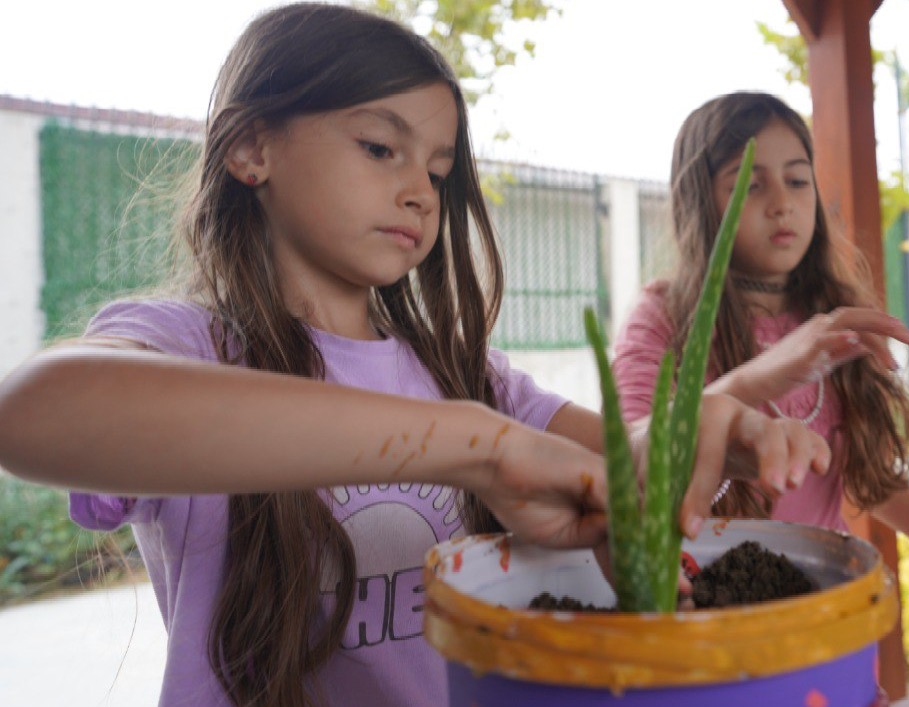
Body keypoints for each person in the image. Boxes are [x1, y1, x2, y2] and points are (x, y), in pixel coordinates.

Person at [0, 12, 830, 707]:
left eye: (437, 169)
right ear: (252, 148)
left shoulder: (470, 374)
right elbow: (33, 409)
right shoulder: (189, 346)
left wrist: (718, 414)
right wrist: (480, 444)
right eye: (379, 148)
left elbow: (624, 472)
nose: (421, 191)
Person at [613, 92, 909, 632]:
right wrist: (763, 375)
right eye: (749, 182)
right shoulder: (662, 318)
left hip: (825, 616)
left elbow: (873, 482)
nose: (781, 203)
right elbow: (635, 462)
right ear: (699, 198)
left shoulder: (832, 320)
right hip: (706, 631)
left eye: (797, 179)